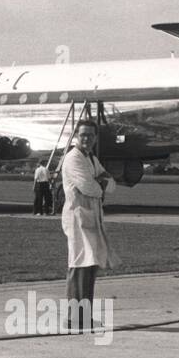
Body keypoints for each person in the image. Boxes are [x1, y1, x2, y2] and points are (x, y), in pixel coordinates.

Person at [60, 120, 117, 331]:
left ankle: (83, 318)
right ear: (76, 135)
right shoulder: (73, 159)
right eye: (83, 134)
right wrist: (100, 182)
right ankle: (73, 318)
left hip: (92, 216)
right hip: (77, 216)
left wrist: (101, 182)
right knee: (79, 264)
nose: (87, 138)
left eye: (91, 135)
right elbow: (89, 187)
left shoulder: (91, 158)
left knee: (91, 265)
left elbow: (111, 185)